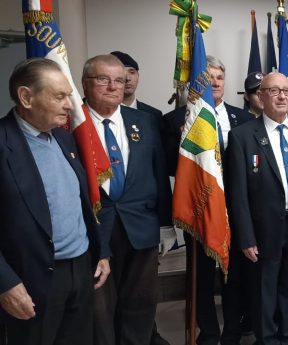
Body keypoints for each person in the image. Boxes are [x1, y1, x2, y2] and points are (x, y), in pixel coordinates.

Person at [0, 58, 110, 345]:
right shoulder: (3, 143)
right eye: (59, 96)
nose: (70, 106)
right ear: (26, 97)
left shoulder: (63, 139)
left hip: (80, 271)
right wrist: (5, 283)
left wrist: (101, 251)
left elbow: (80, 203)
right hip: (31, 279)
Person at [225, 72, 288, 345]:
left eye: (286, 90)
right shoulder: (242, 136)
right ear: (260, 96)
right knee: (264, 290)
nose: (282, 96)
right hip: (262, 228)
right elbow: (238, 194)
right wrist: (245, 237)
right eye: (274, 91)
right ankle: (267, 340)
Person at [81, 54, 173, 345]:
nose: (112, 86)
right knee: (99, 309)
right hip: (95, 231)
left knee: (141, 304)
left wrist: (166, 225)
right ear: (85, 83)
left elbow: (159, 176)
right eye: (103, 79)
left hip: (141, 228)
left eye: (119, 80)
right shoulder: (72, 123)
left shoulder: (145, 122)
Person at [162, 55, 254, 345]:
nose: (214, 82)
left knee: (235, 275)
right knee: (201, 276)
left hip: (237, 209)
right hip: (200, 208)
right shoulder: (176, 121)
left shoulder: (245, 118)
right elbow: (168, 166)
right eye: (208, 77)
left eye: (219, 77)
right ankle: (209, 332)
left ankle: (232, 332)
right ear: (196, 82)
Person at [110, 50, 173, 345]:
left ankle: (148, 335)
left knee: (143, 295)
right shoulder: (80, 118)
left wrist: (165, 223)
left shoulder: (150, 118)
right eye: (115, 75)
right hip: (107, 224)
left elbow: (159, 172)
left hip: (142, 222)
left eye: (130, 72)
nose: (123, 79)